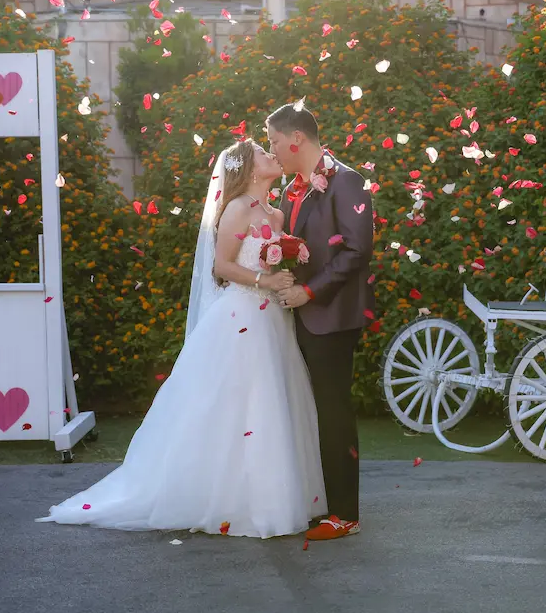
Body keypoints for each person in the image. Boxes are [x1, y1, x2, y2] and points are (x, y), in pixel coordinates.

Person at [37, 139, 327, 538]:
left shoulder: (276, 215)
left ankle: (270, 494)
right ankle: (233, 500)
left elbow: (272, 256)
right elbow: (222, 266)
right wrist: (265, 279)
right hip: (242, 315)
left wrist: (285, 275)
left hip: (273, 319)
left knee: (273, 400)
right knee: (237, 402)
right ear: (248, 168)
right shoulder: (237, 209)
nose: (272, 156)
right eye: (263, 154)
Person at [267, 102, 375, 542]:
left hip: (331, 315)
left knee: (333, 413)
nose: (272, 150)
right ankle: (320, 502)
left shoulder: (345, 181)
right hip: (300, 314)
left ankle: (345, 514)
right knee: (310, 411)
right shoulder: (294, 189)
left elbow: (356, 250)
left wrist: (309, 291)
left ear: (297, 139)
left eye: (275, 141)